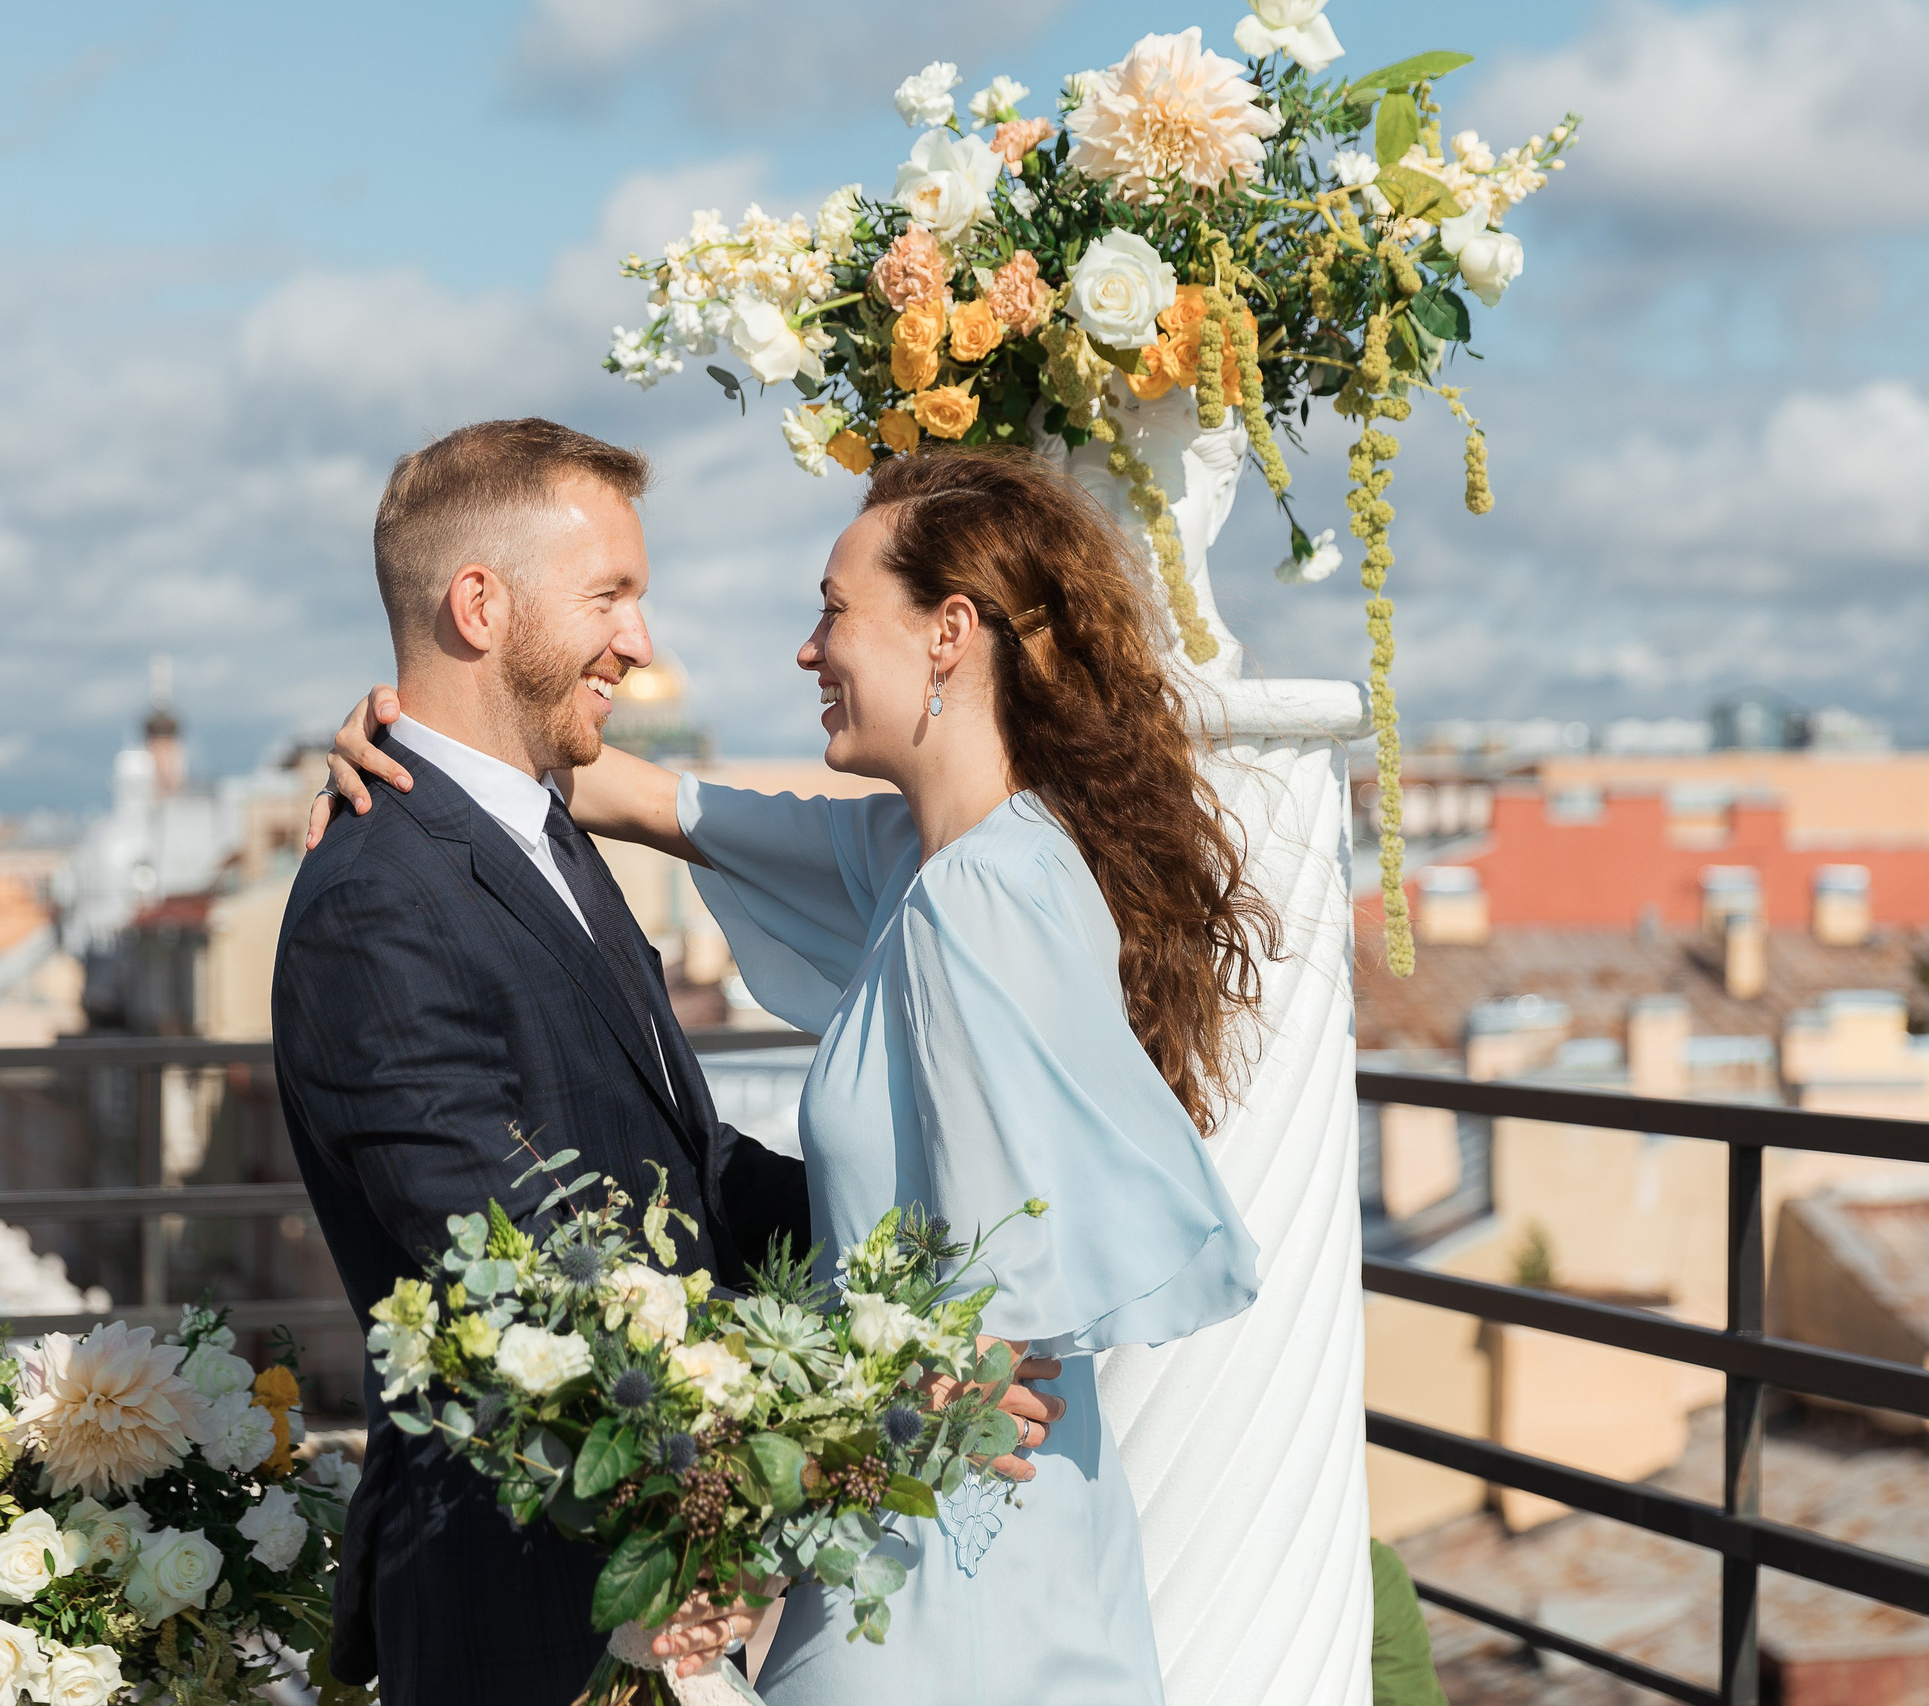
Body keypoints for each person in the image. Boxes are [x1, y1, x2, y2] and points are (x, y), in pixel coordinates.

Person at [314, 444, 1274, 1701]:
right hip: (915, 1514)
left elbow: (1007, 1280)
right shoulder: (926, 859)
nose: (807, 649)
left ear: (949, 632)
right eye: (608, 597)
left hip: (950, 1558)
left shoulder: (980, 898)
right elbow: (657, 798)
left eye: (832, 608)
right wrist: (411, 734)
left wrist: (940, 1362)